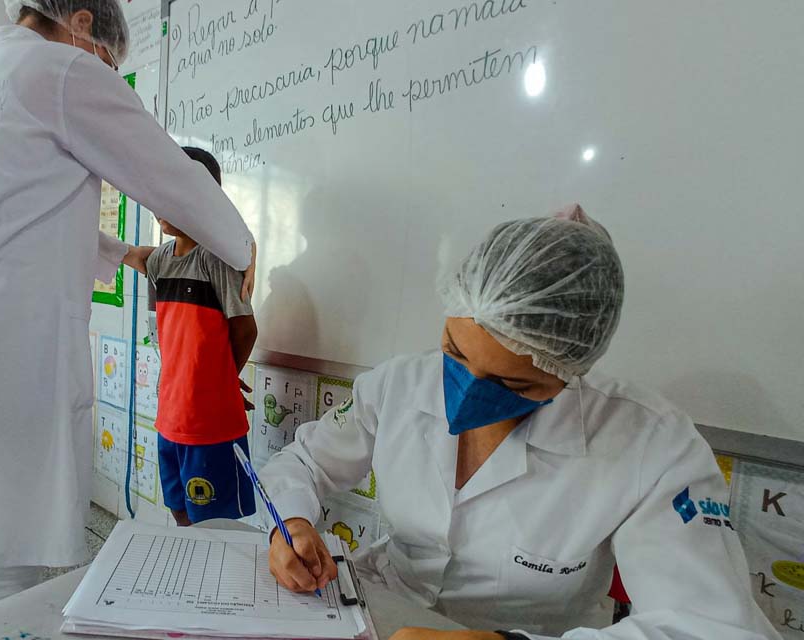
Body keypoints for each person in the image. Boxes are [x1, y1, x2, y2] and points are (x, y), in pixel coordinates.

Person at [0, 2, 255, 638]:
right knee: (1, 559)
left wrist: (126, 253)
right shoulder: (63, 70)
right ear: (84, 22)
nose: (105, 71)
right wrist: (242, 247)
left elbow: (6, 216)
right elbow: (172, 176)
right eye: (110, 59)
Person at [259, 207, 778, 640]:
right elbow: (305, 462)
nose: (465, 395)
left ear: (573, 368)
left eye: (513, 385)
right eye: (454, 354)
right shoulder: (400, 384)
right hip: (375, 607)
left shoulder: (650, 445)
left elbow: (713, 627)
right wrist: (294, 523)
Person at [148, 147, 259, 527]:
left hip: (210, 426)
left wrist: (220, 379)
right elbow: (130, 255)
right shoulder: (160, 260)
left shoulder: (219, 258)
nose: (161, 201)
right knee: (178, 509)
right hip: (169, 418)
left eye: (173, 191)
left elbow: (246, 329)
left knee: (213, 524)